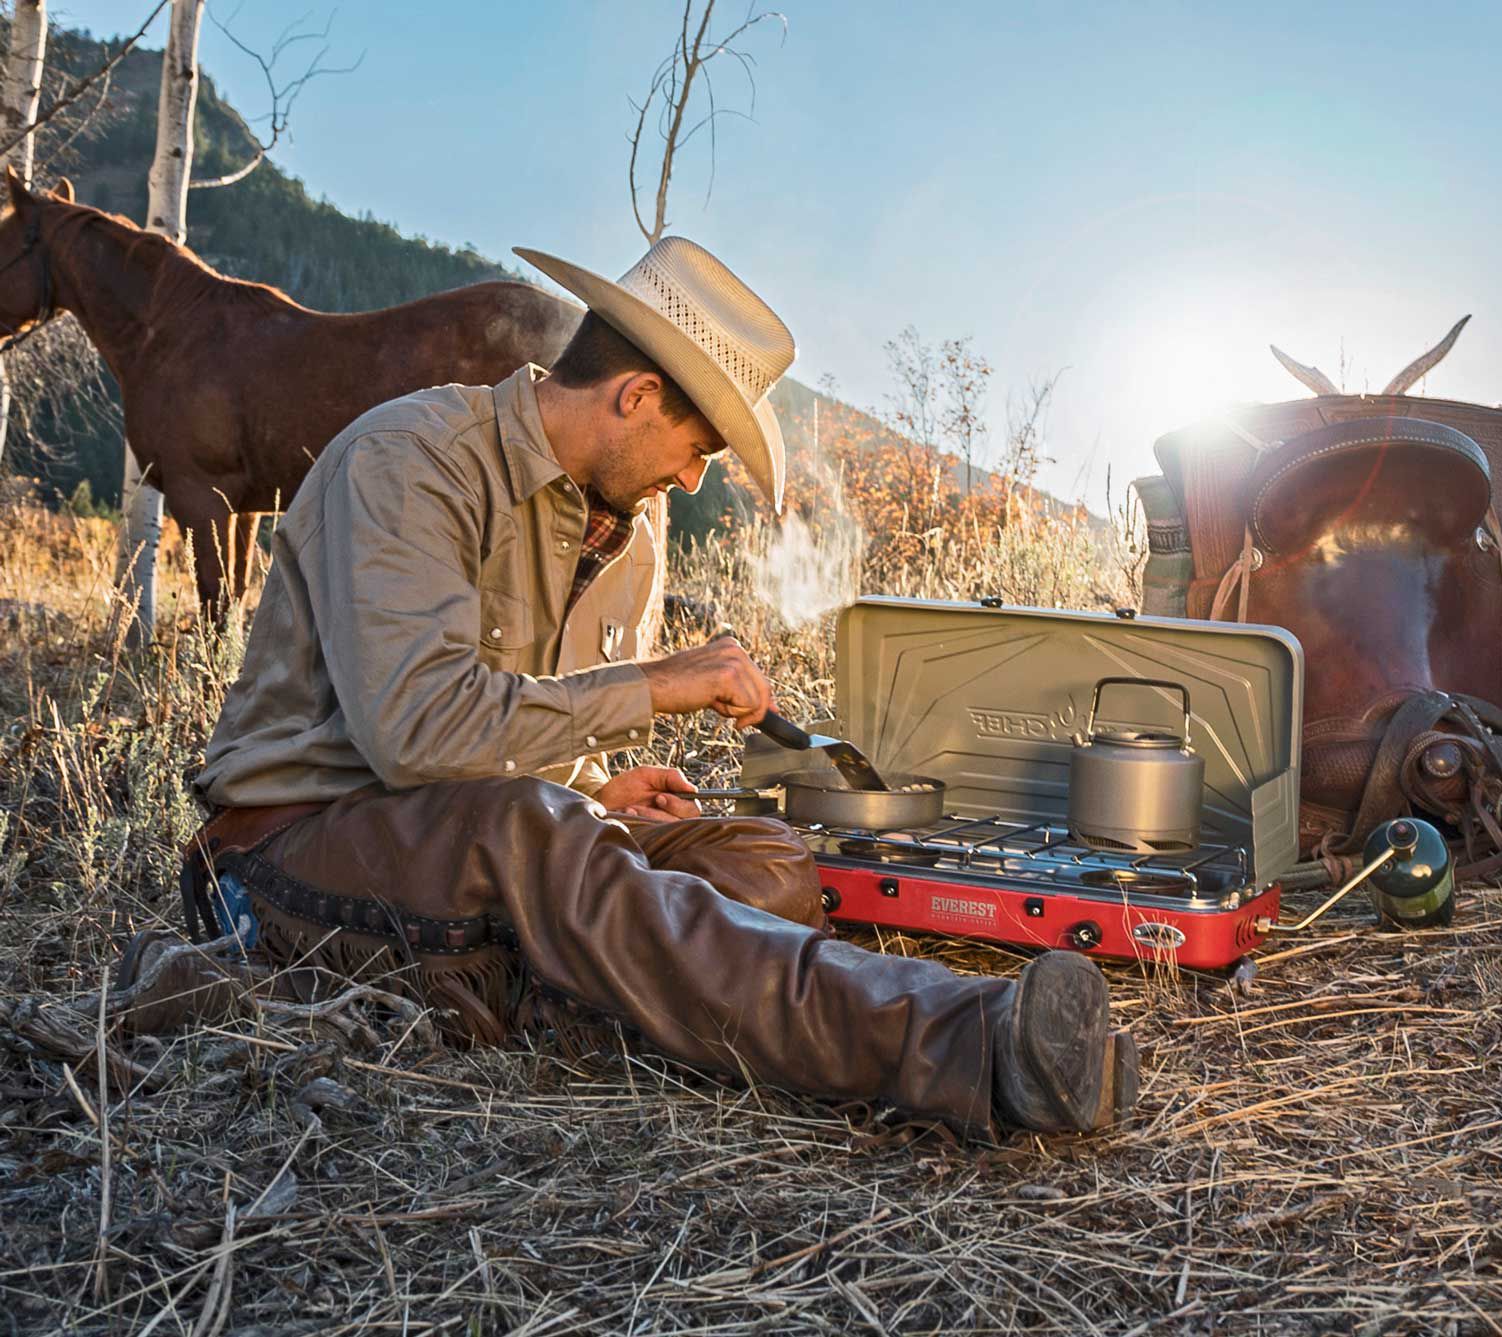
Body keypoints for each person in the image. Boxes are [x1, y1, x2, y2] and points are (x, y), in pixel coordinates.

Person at [156, 236, 1139, 1139]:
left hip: (491, 843)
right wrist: (654, 686)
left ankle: (558, 992)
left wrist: (595, 791)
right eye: (700, 446)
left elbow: (520, 745)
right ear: (635, 395)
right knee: (531, 830)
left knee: (765, 857)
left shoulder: (626, 540)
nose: (695, 478)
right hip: (296, 844)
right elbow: (418, 734)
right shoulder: (409, 460)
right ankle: (968, 1042)